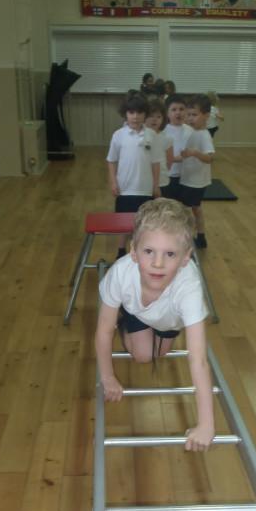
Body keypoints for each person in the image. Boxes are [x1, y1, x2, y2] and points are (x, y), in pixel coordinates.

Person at [95, 198, 214, 452]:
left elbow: (198, 359)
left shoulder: (189, 287)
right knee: (142, 356)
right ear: (133, 251)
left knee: (160, 352)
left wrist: (206, 424)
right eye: (149, 251)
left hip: (169, 318)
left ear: (185, 258)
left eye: (170, 254)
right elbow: (104, 330)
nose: (158, 263)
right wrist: (108, 377)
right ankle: (128, 324)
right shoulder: (121, 274)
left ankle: (149, 330)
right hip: (136, 310)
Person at [107, 92, 162, 260]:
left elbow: (156, 163)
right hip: (125, 189)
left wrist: (156, 185)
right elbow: (111, 160)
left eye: (139, 112)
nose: (135, 117)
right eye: (131, 112)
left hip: (145, 189)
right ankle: (121, 250)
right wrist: (113, 182)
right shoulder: (118, 135)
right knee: (123, 222)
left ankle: (140, 251)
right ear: (125, 113)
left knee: (143, 223)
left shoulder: (151, 135)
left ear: (145, 114)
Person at [180, 94, 215, 249]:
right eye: (188, 114)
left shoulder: (204, 135)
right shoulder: (191, 131)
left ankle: (188, 238)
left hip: (196, 181)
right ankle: (200, 237)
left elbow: (210, 157)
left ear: (206, 116)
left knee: (188, 209)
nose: (190, 118)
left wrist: (195, 153)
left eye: (194, 115)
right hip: (189, 178)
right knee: (195, 208)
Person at [164, 93, 193, 201]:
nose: (178, 112)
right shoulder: (163, 131)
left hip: (186, 176)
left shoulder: (190, 131)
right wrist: (173, 159)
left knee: (184, 205)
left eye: (181, 109)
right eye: (174, 109)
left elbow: (193, 152)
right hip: (168, 176)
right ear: (167, 113)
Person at [145, 98, 174, 197]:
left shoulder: (167, 138)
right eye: (151, 116)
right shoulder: (140, 136)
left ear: (163, 119)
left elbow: (169, 161)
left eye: (158, 116)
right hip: (144, 181)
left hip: (162, 181)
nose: (154, 119)